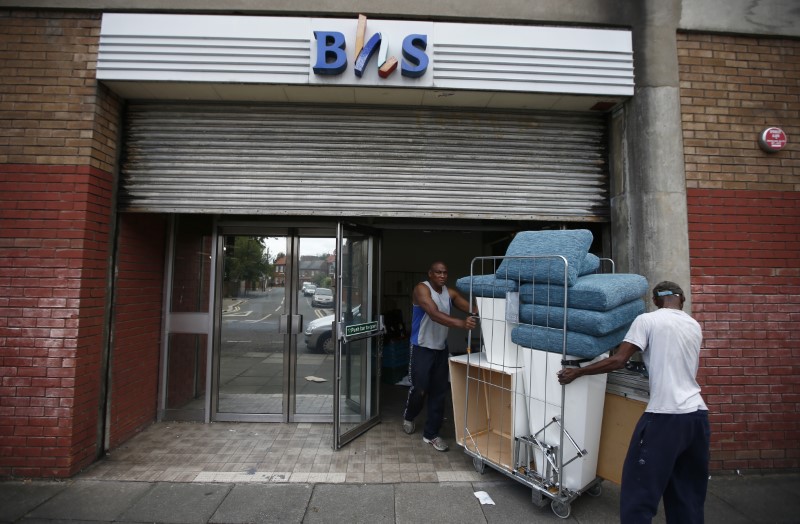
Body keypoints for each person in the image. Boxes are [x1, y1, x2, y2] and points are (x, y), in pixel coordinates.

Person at [557, 281, 709, 524]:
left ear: (656, 301)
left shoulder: (647, 320)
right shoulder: (694, 325)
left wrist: (579, 371)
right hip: (697, 417)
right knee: (687, 494)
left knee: (639, 490)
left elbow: (619, 360)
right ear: (681, 299)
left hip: (665, 416)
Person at [402, 260, 477, 451]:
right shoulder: (422, 290)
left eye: (445, 272)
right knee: (420, 388)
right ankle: (410, 415)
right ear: (430, 274)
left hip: (441, 349)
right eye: (438, 272)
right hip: (421, 347)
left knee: (439, 392)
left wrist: (488, 305)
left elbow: (472, 309)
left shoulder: (450, 293)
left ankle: (431, 434)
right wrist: (462, 324)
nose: (442, 275)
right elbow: (433, 314)